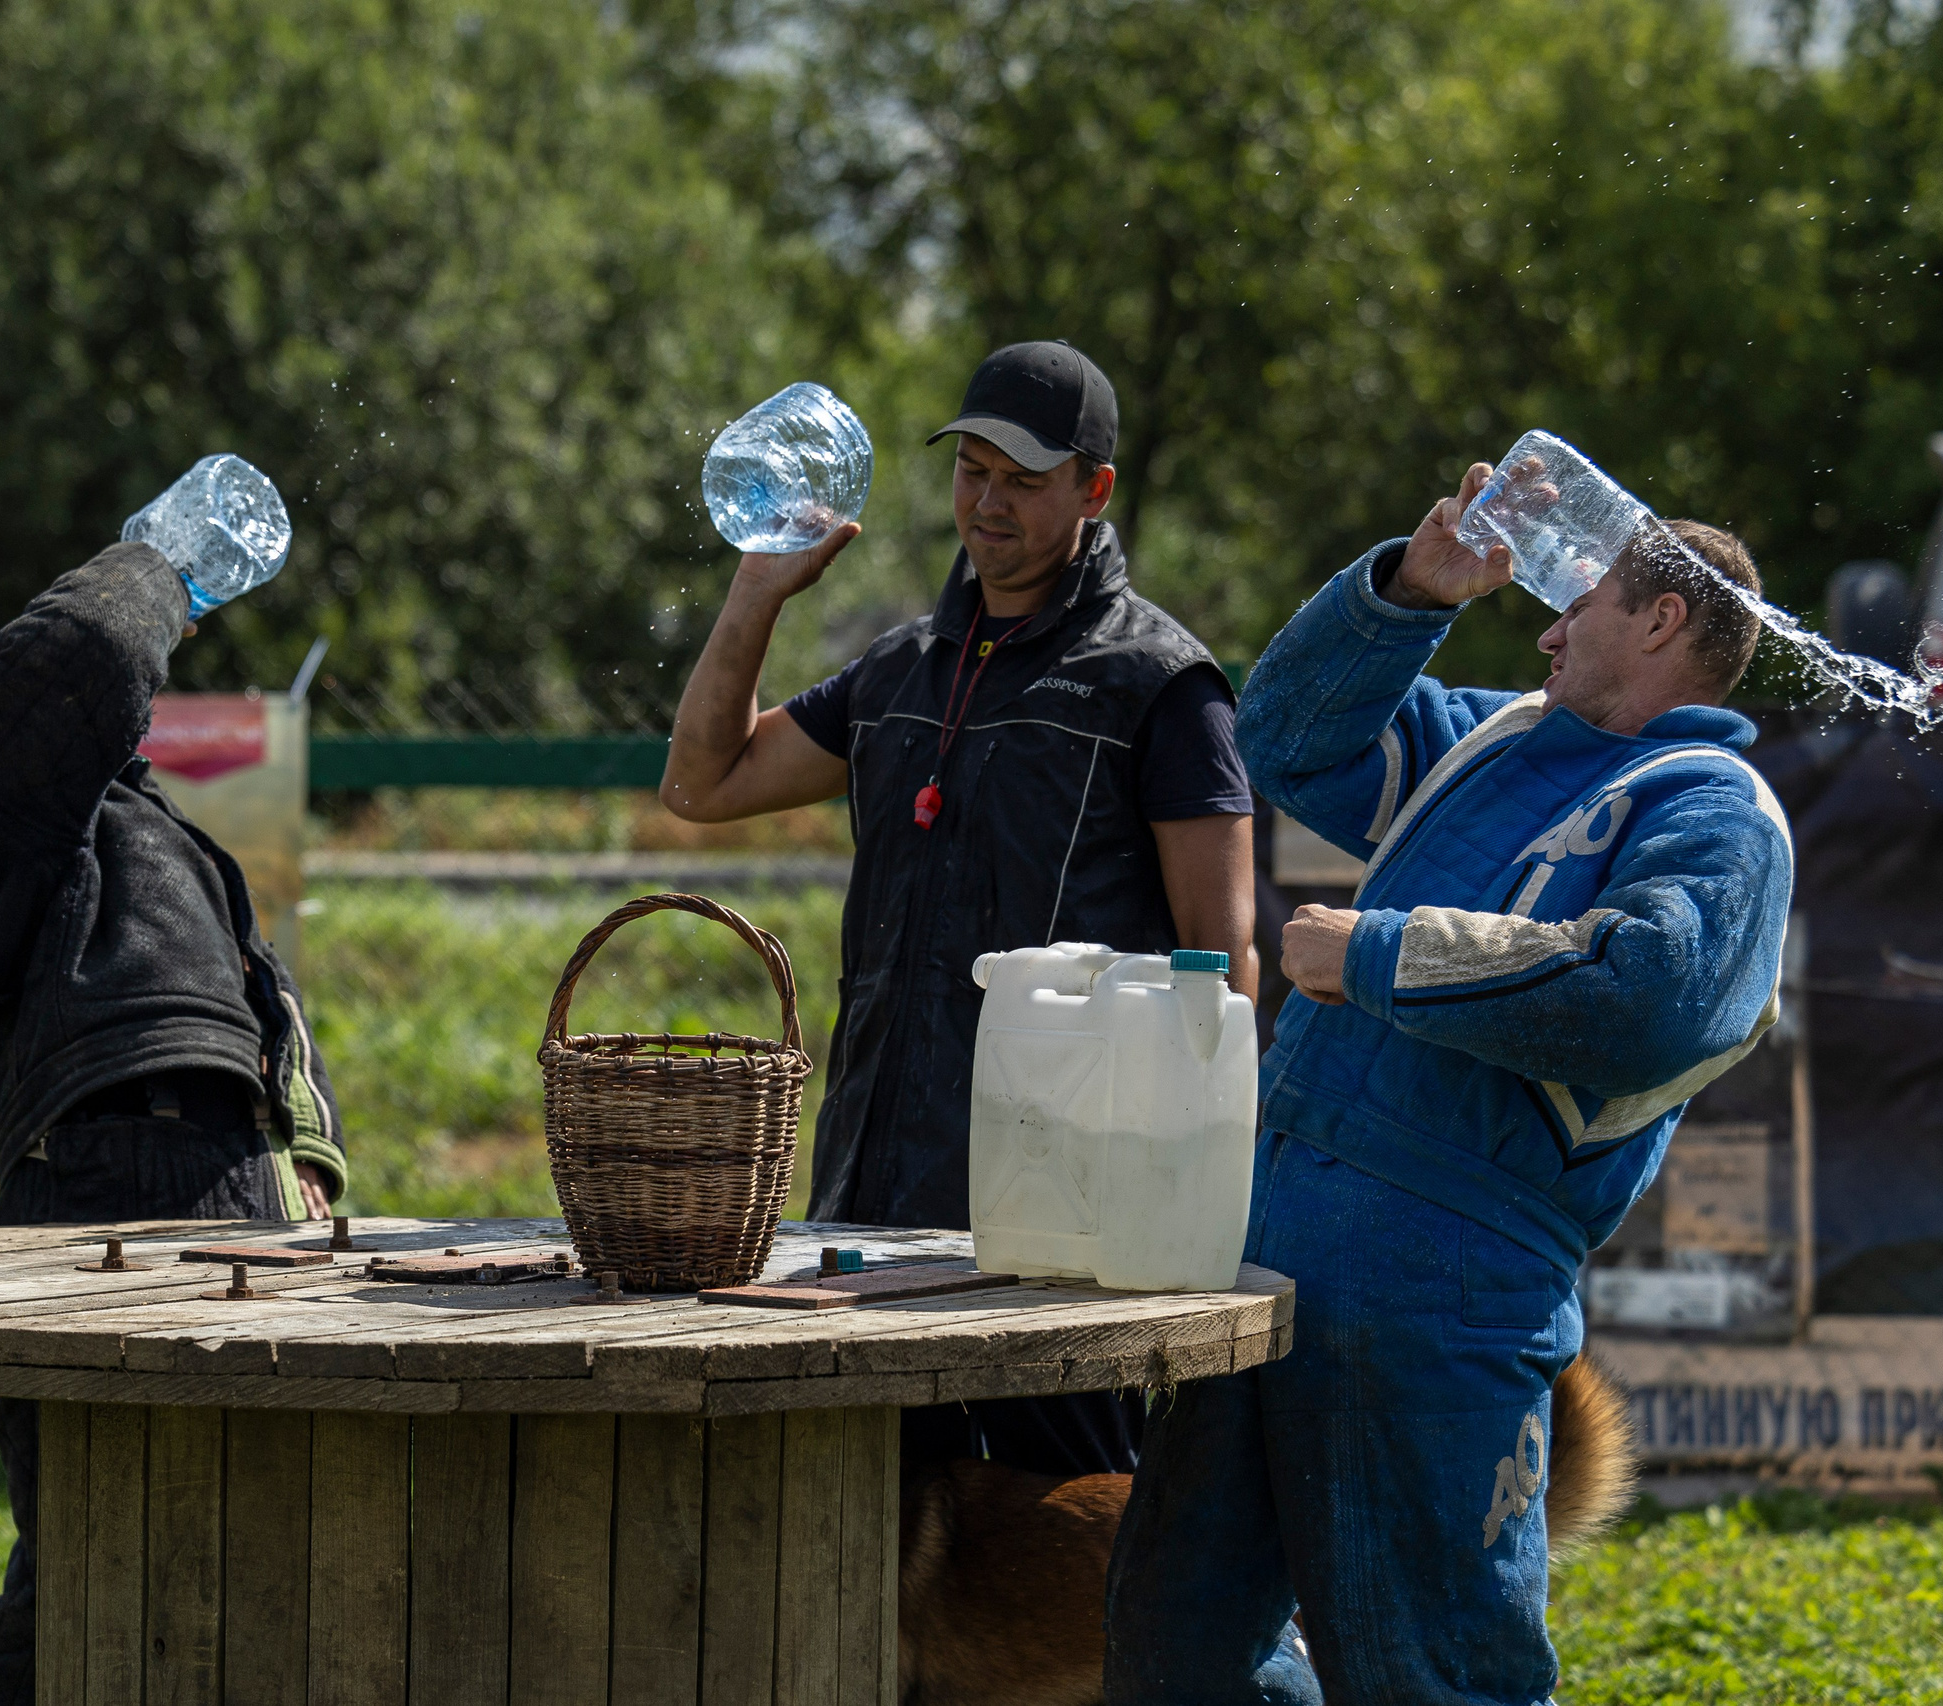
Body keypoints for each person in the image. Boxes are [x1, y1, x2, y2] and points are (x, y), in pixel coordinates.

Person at [1102, 463, 1793, 1704]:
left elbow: (1646, 993)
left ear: (1659, 621)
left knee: (1434, 1676)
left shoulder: (1722, 812)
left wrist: (1372, 950)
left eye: (1574, 600)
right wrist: (1410, 591)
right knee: (1176, 1659)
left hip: (1444, 1285)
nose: (1544, 623)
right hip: (1261, 1250)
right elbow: (1287, 741)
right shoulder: (1492, 736)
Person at [663, 341, 1256, 1477]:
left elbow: (1220, 970)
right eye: (971, 470)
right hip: (872, 1197)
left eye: (1023, 480)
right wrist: (756, 590)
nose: (986, 502)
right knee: (873, 1534)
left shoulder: (1162, 687)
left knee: (1074, 1551)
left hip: (1060, 1229)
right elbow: (702, 783)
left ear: (1094, 490)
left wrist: (1172, 1211)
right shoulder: (896, 673)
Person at [0, 540, 344, 1706]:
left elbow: (263, 995)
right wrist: (160, 562)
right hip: (112, 1163)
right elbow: (85, 645)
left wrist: (307, 1157)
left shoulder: (131, 815)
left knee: (260, 1525)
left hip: (239, 1163)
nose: (3, 658)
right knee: (90, 1538)